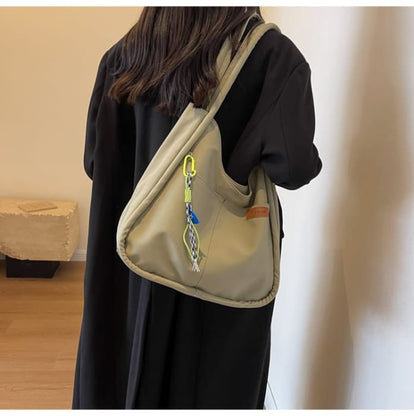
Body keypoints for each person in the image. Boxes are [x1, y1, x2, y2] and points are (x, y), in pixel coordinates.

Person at [72, 6, 322, 409]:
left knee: (117, 375)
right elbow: (293, 168)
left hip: (123, 270)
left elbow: (94, 162)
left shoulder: (123, 55)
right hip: (209, 274)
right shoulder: (271, 56)